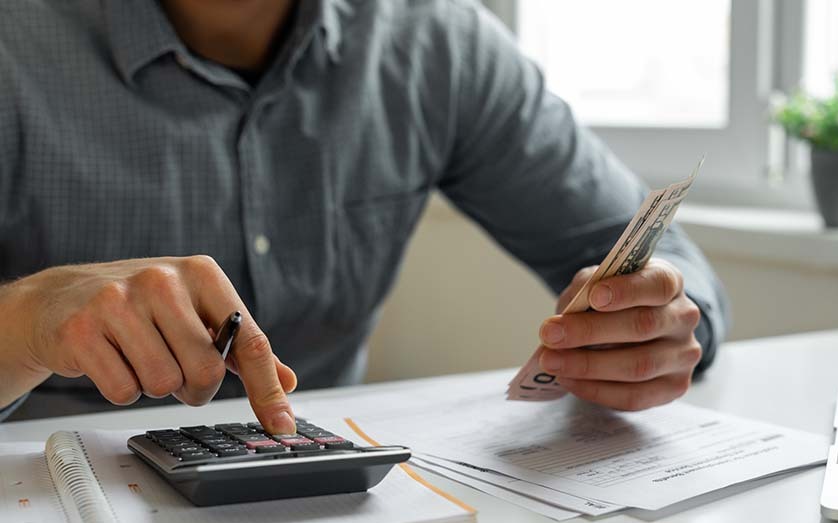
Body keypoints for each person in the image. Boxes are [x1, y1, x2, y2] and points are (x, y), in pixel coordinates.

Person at [0, 0, 730, 433]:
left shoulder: (435, 41)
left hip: (331, 517)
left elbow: (667, 269)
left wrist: (652, 323)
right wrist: (23, 321)